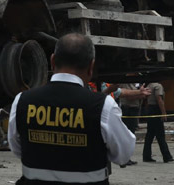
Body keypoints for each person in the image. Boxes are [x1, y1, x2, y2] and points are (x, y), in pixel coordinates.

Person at [8, 33, 135, 184]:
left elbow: (17, 148)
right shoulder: (103, 106)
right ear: (91, 67)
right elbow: (124, 155)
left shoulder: (22, 100)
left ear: (53, 61)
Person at [142, 81, 174, 163]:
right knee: (160, 134)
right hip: (156, 109)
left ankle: (146, 156)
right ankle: (167, 156)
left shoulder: (149, 85)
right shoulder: (158, 86)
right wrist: (163, 112)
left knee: (150, 135)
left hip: (150, 109)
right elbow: (159, 99)